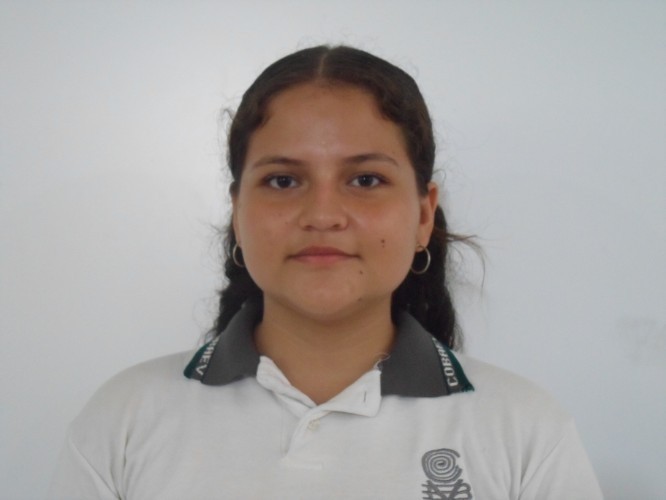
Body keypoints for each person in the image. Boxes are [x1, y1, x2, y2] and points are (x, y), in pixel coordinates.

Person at [49, 45, 603, 499]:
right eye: (283, 181)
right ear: (237, 213)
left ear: (423, 215)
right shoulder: (125, 420)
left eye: (365, 180)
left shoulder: (526, 432)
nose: (322, 215)